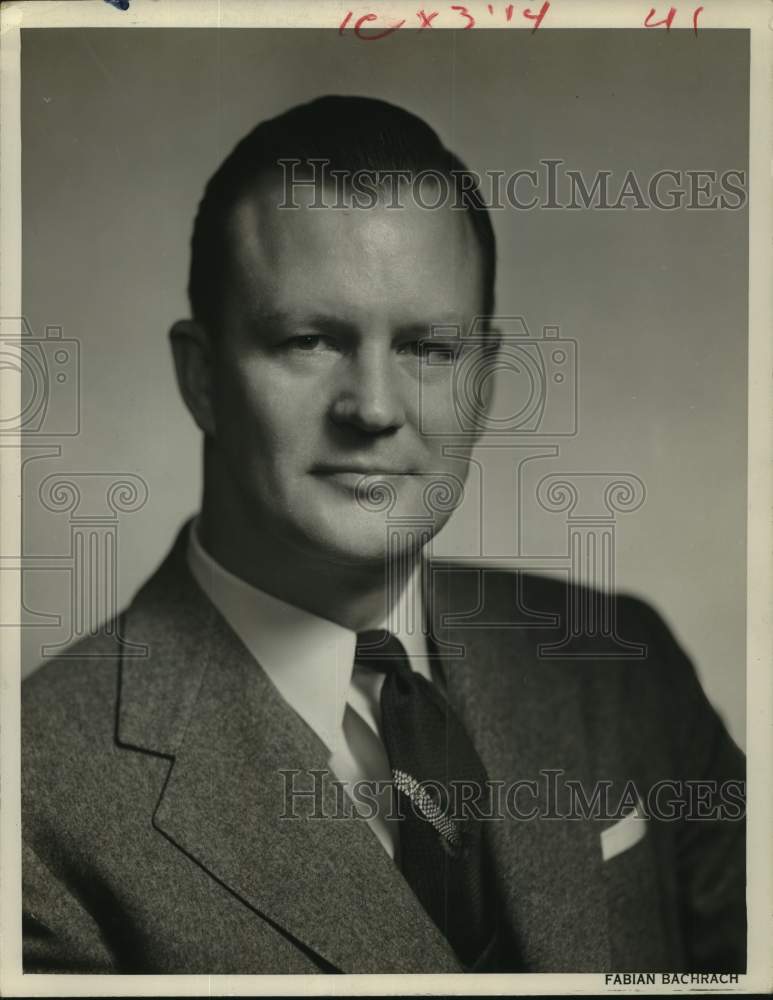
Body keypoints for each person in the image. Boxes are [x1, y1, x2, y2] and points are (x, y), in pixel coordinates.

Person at [21, 96, 745, 975]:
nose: (372, 407)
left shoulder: (622, 664)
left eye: (428, 349)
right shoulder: (32, 803)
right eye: (309, 340)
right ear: (202, 379)